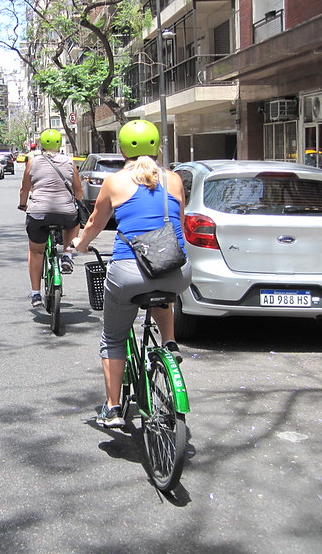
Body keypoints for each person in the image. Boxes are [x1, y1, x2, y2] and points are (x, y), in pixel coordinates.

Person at [71, 120, 191, 429]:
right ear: (157, 147)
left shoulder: (114, 182)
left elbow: (95, 224)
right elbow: (178, 220)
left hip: (129, 271)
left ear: (122, 149)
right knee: (162, 290)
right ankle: (169, 343)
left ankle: (112, 407)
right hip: (176, 269)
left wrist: (79, 245)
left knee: (113, 337)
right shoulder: (174, 180)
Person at [18, 129, 83, 308]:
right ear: (59, 144)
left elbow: (24, 189)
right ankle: (67, 255)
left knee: (36, 252)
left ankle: (36, 294)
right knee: (74, 221)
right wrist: (76, 202)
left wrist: (23, 205)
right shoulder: (69, 162)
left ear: (41, 144)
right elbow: (78, 191)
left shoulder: (33, 162)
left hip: (38, 214)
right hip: (65, 212)